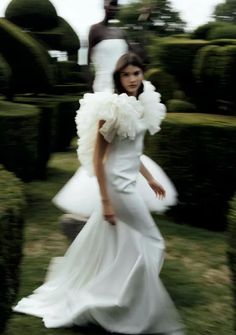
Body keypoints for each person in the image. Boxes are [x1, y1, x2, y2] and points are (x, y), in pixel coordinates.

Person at [13, 52, 184, 335]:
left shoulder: (140, 107)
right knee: (154, 242)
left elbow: (133, 152)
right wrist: (105, 201)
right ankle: (120, 300)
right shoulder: (112, 110)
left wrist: (151, 179)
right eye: (126, 74)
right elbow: (99, 160)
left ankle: (120, 298)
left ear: (143, 75)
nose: (132, 79)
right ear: (119, 78)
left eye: (136, 73)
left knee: (128, 245)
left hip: (131, 181)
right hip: (117, 186)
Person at [52, 0, 177, 227]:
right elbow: (84, 61)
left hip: (124, 89)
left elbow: (137, 54)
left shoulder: (121, 32)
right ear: (104, 6)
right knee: (105, 148)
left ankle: (125, 198)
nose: (113, 7)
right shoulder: (95, 30)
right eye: (110, 4)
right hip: (104, 89)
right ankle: (103, 200)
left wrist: (143, 22)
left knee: (127, 143)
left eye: (116, 4)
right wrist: (93, 91)